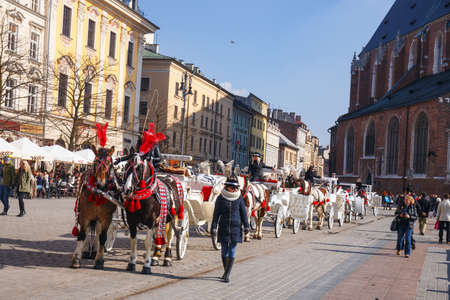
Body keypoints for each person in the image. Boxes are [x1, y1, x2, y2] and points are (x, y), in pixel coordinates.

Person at [211, 175, 250, 283]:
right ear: (226, 186)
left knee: (232, 250)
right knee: (224, 250)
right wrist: (213, 227)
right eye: (231, 187)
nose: (233, 189)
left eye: (235, 188)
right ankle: (225, 271)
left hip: (236, 227)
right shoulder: (220, 198)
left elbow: (244, 214)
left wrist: (246, 226)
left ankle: (227, 274)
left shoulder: (239, 198)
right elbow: (216, 214)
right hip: (223, 226)